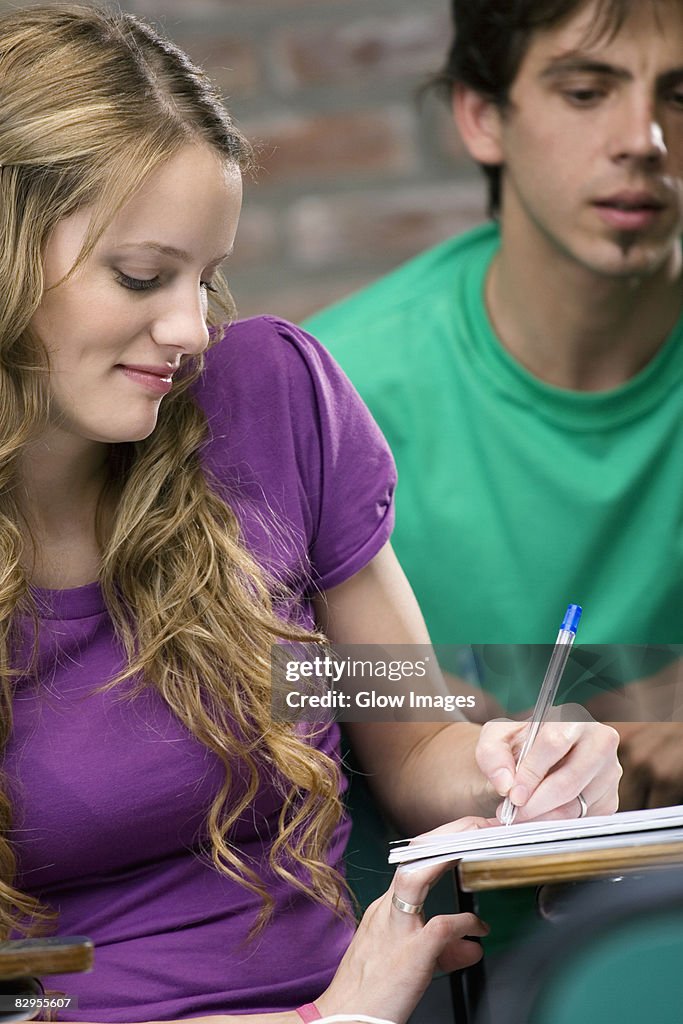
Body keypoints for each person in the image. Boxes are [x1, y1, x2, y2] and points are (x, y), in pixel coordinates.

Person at [0, 5, 620, 1024]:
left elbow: (405, 729)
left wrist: (515, 757)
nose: (191, 329)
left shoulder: (268, 403)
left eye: (207, 275)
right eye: (143, 276)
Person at [304, 0, 683, 954]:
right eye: (585, 90)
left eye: (680, 95)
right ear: (482, 117)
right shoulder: (332, 390)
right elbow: (247, 683)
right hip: (441, 959)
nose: (641, 139)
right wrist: (448, 718)